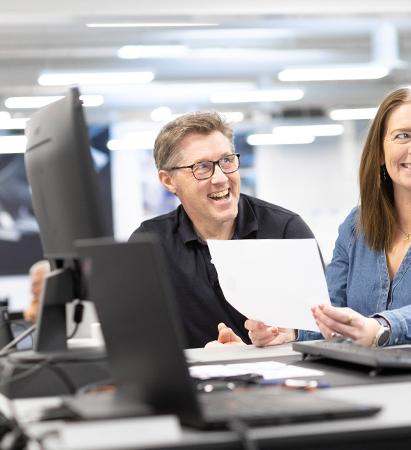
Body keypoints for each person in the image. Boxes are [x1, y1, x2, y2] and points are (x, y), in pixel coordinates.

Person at [218, 85, 411, 352]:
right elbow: (330, 310)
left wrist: (377, 330)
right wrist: (287, 332)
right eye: (402, 136)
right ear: (379, 151)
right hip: (367, 382)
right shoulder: (357, 225)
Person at [131, 110, 315, 349]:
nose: (220, 178)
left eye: (227, 161)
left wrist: (288, 334)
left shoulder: (285, 230)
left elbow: (325, 328)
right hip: (189, 382)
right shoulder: (149, 243)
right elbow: (138, 341)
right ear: (168, 181)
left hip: (276, 378)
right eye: (203, 167)